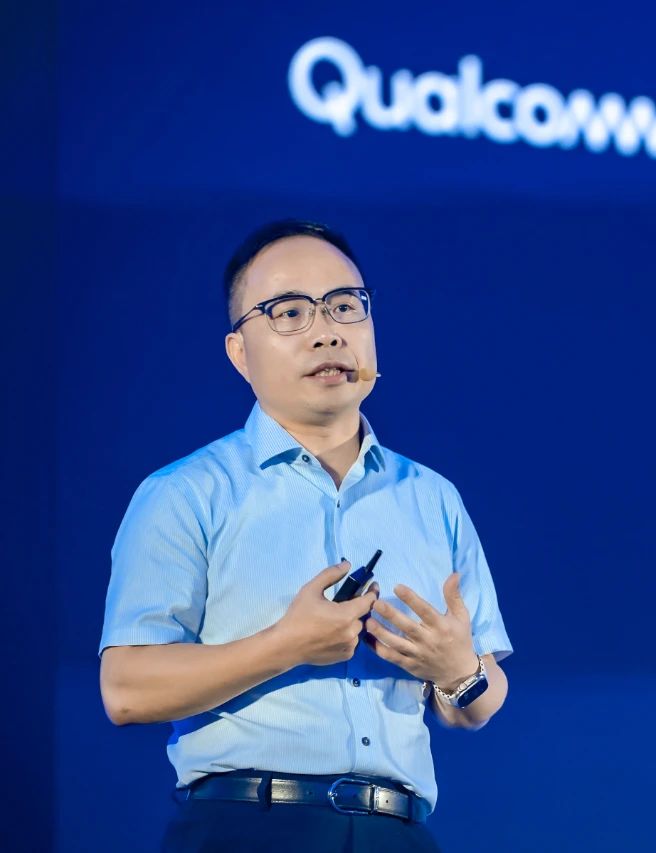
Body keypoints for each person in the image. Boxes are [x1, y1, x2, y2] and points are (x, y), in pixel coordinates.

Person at [98, 220, 513, 851]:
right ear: (240, 352)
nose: (328, 332)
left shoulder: (432, 498)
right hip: (248, 824)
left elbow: (476, 704)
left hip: (398, 830)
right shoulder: (185, 492)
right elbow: (125, 690)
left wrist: (459, 670)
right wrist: (287, 644)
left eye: (345, 306)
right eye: (290, 312)